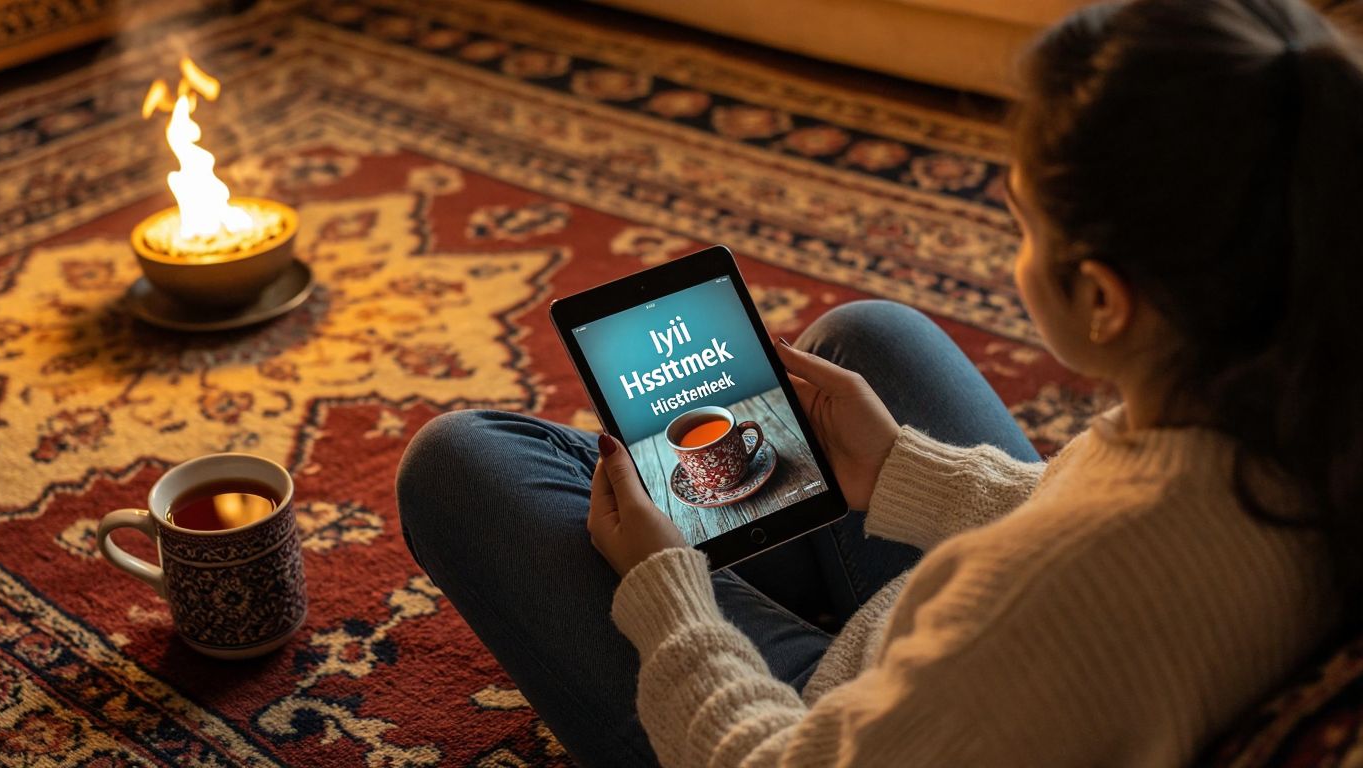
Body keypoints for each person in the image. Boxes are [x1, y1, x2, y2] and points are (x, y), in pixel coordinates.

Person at [396, 0, 1363, 763]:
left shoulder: (1042, 599)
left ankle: (696, 560)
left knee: (465, 466)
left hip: (832, 717)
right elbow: (1120, 532)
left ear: (1105, 300)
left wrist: (668, 596)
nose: (1015, 252)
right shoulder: (1303, 405)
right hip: (991, 661)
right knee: (871, 336)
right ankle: (760, 530)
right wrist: (903, 470)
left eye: (1023, 222)